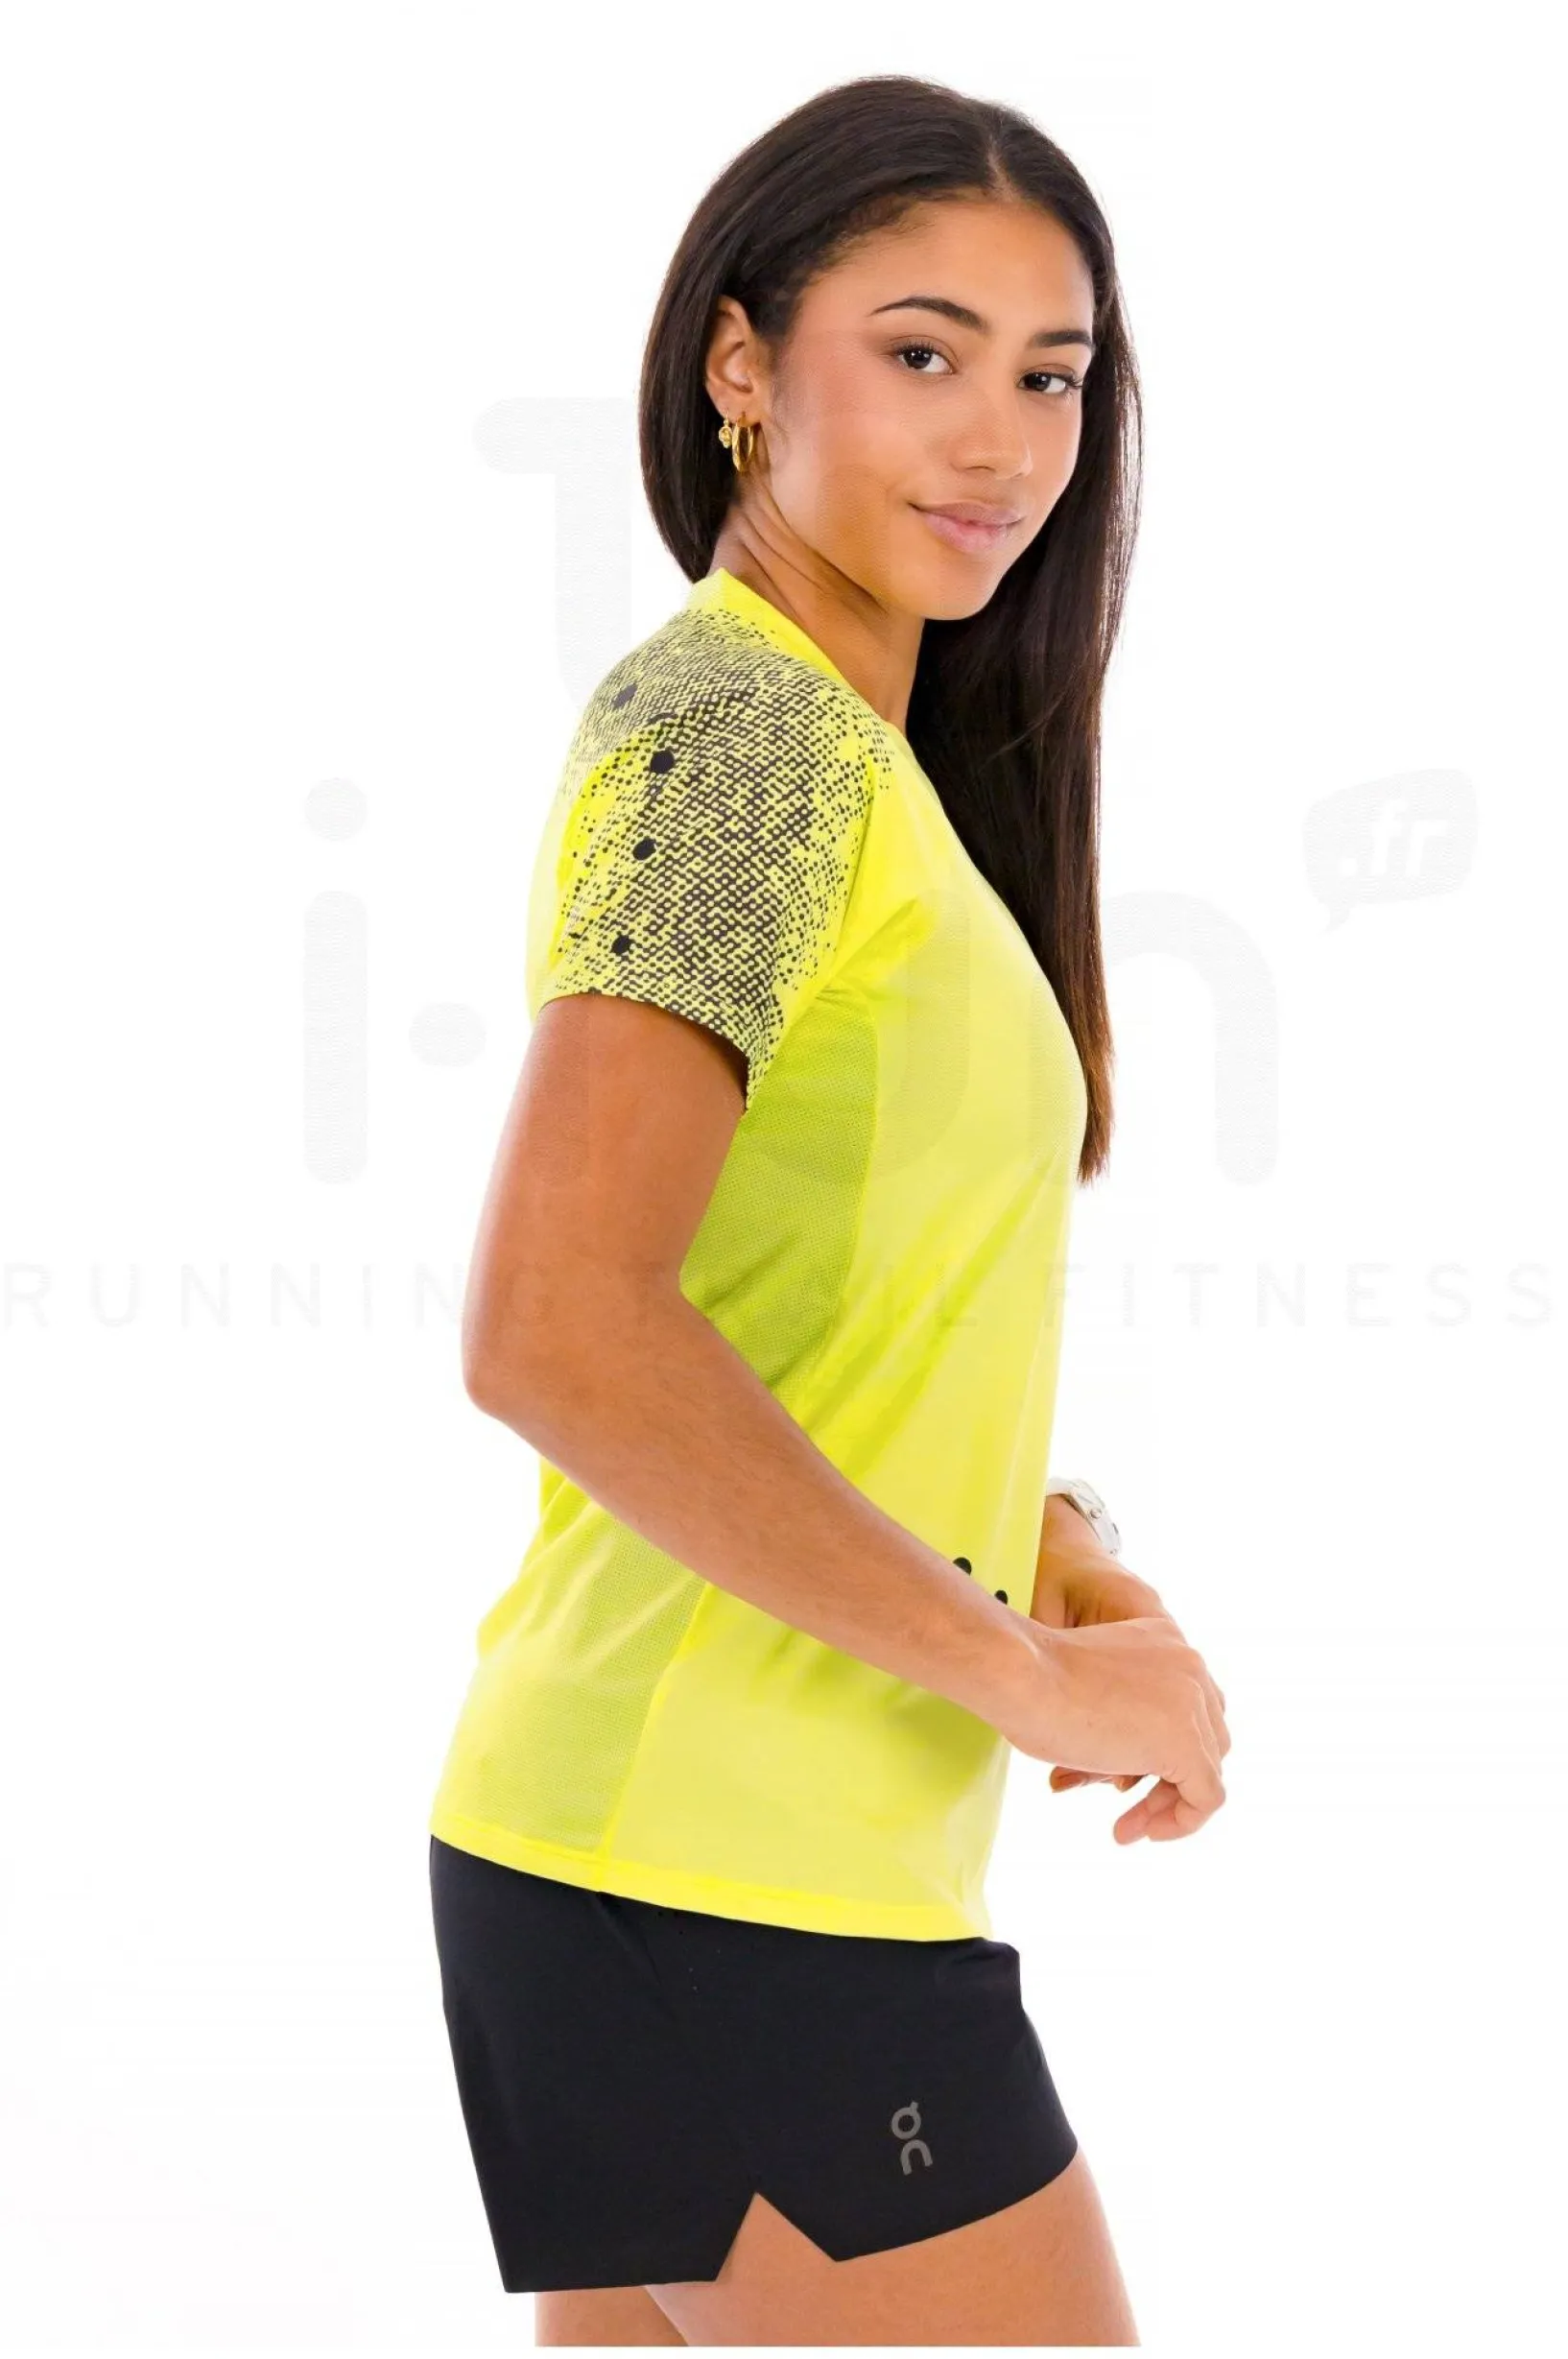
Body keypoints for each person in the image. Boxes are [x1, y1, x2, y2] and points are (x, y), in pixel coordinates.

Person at [426, 72, 1230, 2347]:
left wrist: (1038, 1531)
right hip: (729, 1886)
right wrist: (1027, 1670)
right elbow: (556, 1322)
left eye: (1049, 375)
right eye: (920, 349)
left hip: (654, 1860)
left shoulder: (851, 766)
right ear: (741, 362)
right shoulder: (750, 736)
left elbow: (789, 1298)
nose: (999, 438)